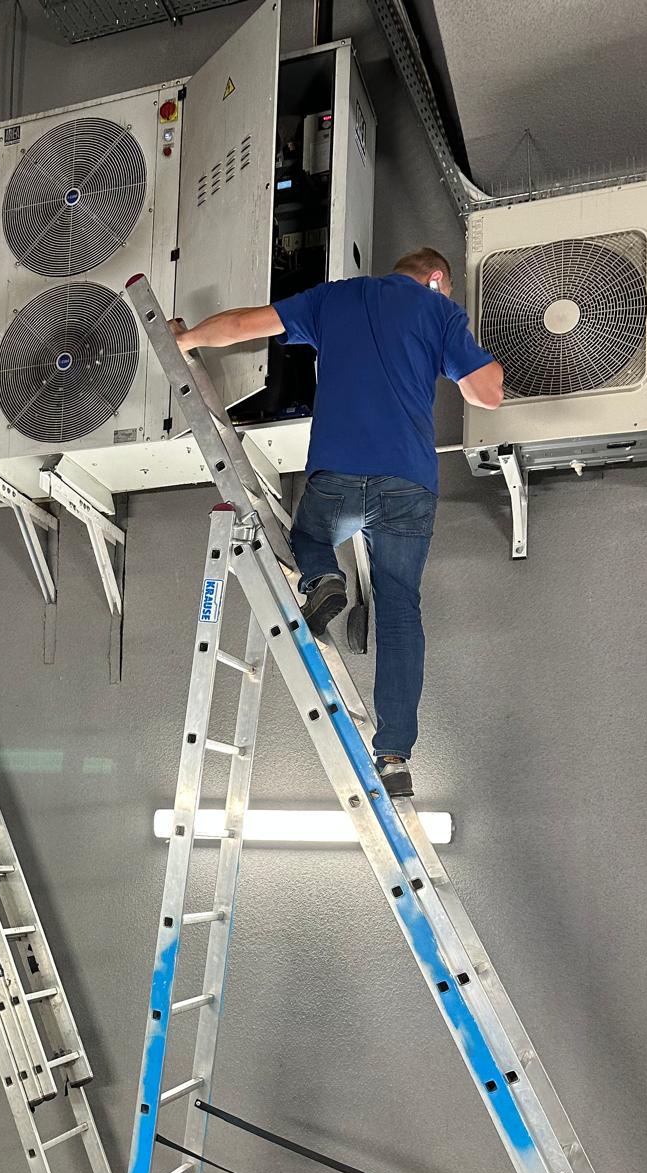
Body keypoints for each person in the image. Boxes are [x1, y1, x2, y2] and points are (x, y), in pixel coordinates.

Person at [174, 248, 504, 798]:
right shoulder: (439, 311)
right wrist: (457, 347)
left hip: (338, 476)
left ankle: (323, 577)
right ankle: (394, 755)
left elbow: (242, 325)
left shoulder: (333, 298)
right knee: (400, 610)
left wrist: (185, 340)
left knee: (309, 535)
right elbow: (487, 394)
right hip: (408, 484)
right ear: (436, 279)